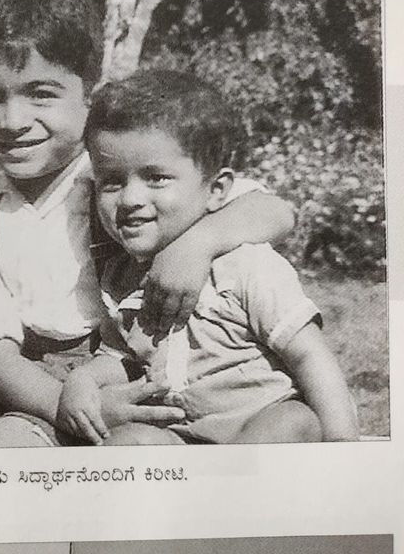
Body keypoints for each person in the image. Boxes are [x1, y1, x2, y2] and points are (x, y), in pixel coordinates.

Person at [0, 0, 296, 451]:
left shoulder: (118, 178)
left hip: (123, 371)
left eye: (41, 93)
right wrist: (63, 402)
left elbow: (275, 211)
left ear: (89, 89)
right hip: (30, 388)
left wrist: (199, 244)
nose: (13, 121)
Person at [54, 69, 359, 445]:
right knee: (127, 444)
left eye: (156, 178)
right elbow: (123, 358)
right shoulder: (121, 277)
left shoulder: (247, 266)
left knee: (291, 421)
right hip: (181, 435)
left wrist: (345, 449)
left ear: (216, 190)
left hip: (259, 424)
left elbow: (310, 357)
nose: (130, 199)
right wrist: (82, 379)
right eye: (112, 181)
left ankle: (236, 498)